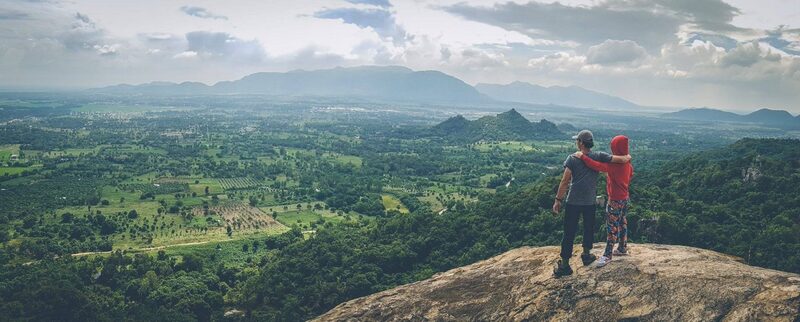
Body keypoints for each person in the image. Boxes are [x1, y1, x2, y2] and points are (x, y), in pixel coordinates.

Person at [552, 130, 630, 277]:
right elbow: (619, 160)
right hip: (589, 201)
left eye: (578, 140)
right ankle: (586, 255)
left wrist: (558, 200)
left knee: (569, 232)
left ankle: (565, 265)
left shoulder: (572, 159)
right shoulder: (599, 156)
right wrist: (627, 157)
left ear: (581, 142)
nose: (577, 142)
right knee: (588, 228)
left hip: (573, 201)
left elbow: (565, 181)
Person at [574, 135, 633, 267]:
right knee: (623, 222)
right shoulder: (628, 163)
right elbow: (631, 175)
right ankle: (622, 248)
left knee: (611, 227)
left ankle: (607, 255)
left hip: (615, 200)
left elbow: (596, 165)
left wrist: (582, 157)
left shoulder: (614, 165)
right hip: (625, 197)